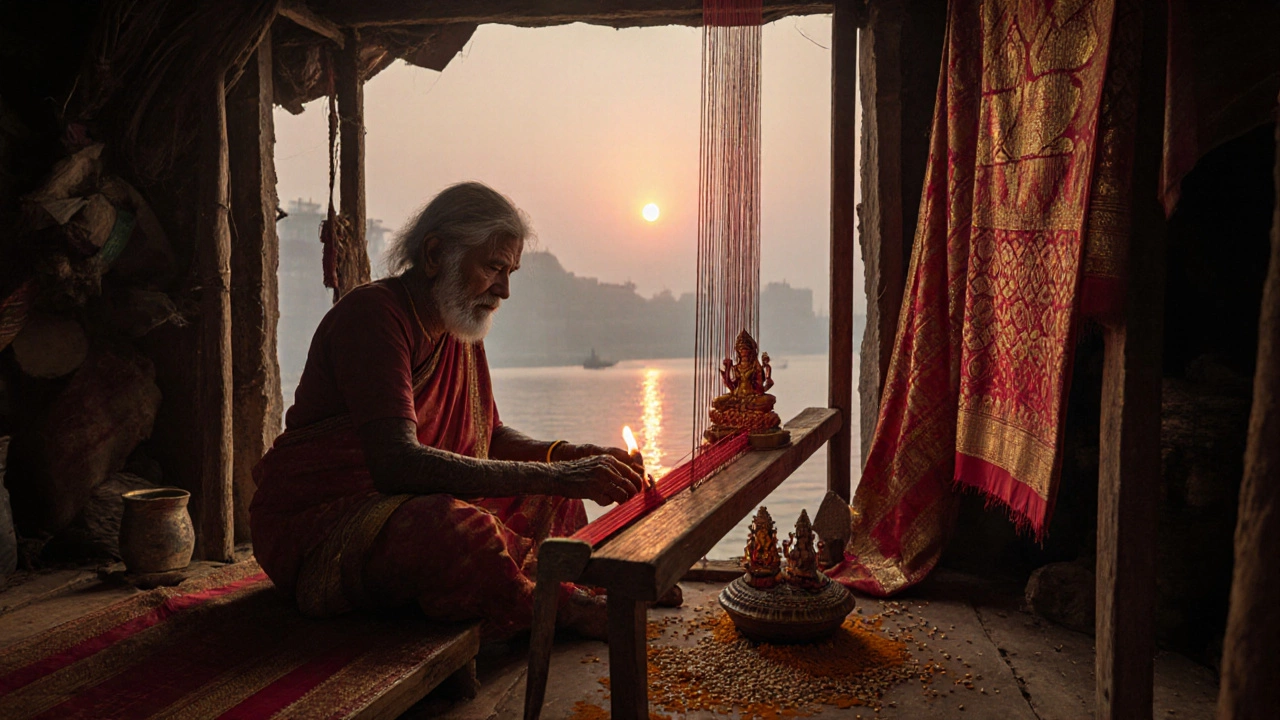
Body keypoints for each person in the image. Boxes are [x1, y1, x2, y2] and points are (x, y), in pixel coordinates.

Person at [250, 182, 654, 640]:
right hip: (323, 524)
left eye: (511, 272)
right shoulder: (373, 317)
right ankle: (563, 606)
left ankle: (569, 583)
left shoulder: (460, 330)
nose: (503, 289)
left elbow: (491, 437)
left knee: (554, 496)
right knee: (456, 530)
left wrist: (570, 457)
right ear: (435, 254)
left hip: (408, 502)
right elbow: (396, 465)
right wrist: (562, 472)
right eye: (494, 268)